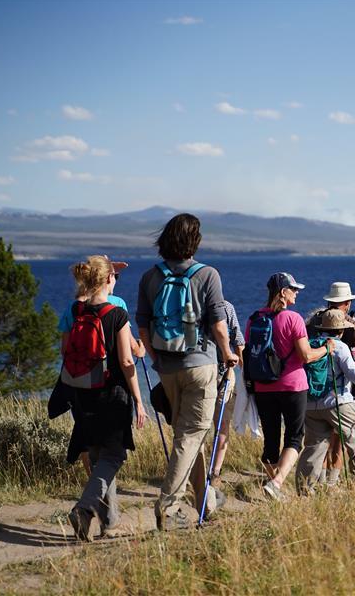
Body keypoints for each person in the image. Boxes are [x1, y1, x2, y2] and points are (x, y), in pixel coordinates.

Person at [136, 213, 239, 531]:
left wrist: (156, 359)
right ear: (195, 240)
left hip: (167, 369)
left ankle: (205, 502)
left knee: (190, 436)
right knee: (191, 435)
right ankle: (168, 508)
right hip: (201, 365)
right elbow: (220, 327)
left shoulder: (151, 277)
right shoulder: (207, 274)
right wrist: (229, 354)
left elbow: (142, 326)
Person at [65, 255, 147, 541]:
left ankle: (104, 522)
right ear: (107, 279)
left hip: (82, 392)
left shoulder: (76, 311)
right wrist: (138, 400)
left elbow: (66, 351)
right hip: (111, 395)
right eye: (114, 276)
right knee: (114, 454)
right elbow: (127, 361)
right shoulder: (116, 314)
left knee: (99, 455)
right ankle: (84, 508)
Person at [246, 272, 330, 501]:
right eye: (293, 289)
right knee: (294, 438)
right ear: (283, 292)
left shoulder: (254, 318)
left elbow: (249, 353)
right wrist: (327, 349)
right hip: (293, 386)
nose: (297, 293)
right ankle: (277, 482)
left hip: (263, 387)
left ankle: (274, 487)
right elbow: (306, 356)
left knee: (270, 441)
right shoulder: (293, 319)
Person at [305, 282, 355, 483]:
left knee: (315, 448)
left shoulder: (314, 325)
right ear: (348, 303)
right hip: (339, 399)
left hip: (311, 400)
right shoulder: (340, 342)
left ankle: (310, 488)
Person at [295, 309, 355, 495]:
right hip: (338, 403)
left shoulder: (312, 344)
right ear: (341, 330)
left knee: (314, 448)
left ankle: (305, 490)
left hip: (311, 405)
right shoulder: (339, 346)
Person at [202, 300, 245, 484]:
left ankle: (206, 471)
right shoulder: (225, 307)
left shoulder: (190, 303)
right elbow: (238, 340)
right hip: (223, 373)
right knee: (222, 425)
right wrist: (246, 374)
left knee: (201, 425)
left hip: (199, 371)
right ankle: (214, 472)